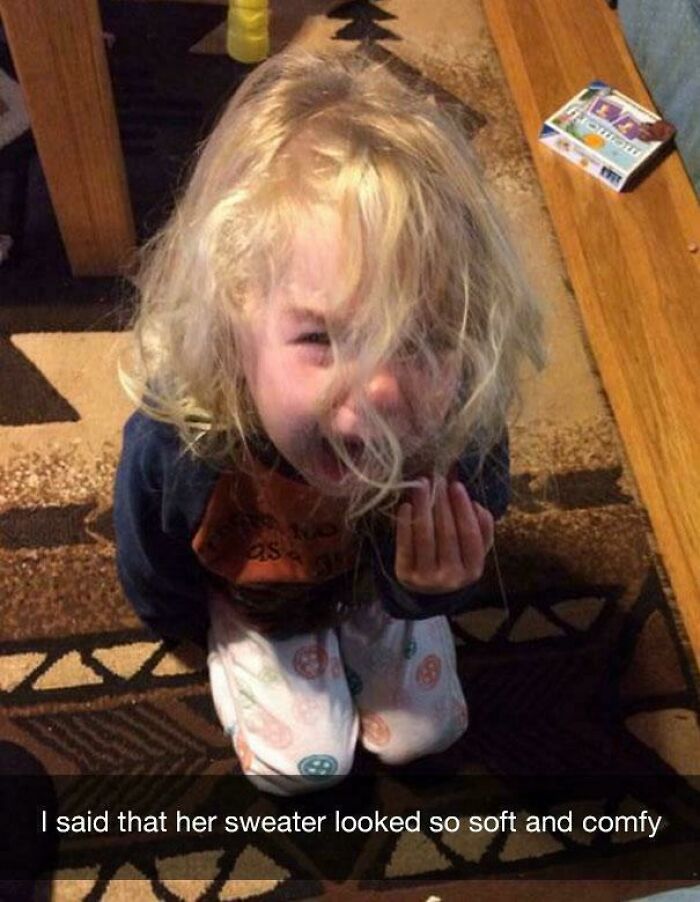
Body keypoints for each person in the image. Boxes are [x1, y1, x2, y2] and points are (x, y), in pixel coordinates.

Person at [113, 47, 545, 795]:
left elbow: (451, 558)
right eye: (321, 337)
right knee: (302, 769)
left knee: (426, 734)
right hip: (256, 596)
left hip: (374, 587)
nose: (377, 390)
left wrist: (427, 591)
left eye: (422, 340)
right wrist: (184, 618)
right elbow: (148, 551)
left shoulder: (459, 433)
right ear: (233, 317)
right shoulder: (181, 440)